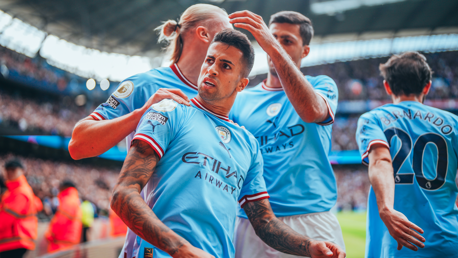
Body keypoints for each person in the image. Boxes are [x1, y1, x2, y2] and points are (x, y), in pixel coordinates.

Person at [111, 29, 345, 258]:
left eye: (225, 66)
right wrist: (181, 250)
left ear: (241, 85)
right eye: (210, 60)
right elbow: (122, 194)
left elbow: (264, 222)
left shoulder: (248, 145)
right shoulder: (169, 110)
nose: (212, 70)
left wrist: (308, 246)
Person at [227, 10, 345, 257]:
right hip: (252, 221)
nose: (276, 45)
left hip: (311, 219)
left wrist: (273, 47)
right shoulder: (240, 100)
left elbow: (312, 111)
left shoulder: (322, 85)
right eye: (273, 37)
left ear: (305, 51)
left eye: (287, 41)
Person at [69, 3, 231, 160]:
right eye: (227, 34)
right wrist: (142, 113)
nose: (237, 42)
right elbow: (78, 144)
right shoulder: (146, 85)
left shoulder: (230, 100)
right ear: (203, 34)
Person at [355, 51, 458, 257]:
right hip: (448, 241)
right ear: (427, 86)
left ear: (387, 86)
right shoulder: (453, 123)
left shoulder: (372, 119)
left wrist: (386, 209)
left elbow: (381, 160)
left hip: (398, 243)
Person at [0, 159, 43, 258]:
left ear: (22, 171)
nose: (9, 172)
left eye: (13, 170)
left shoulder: (20, 192)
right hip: (14, 240)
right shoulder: (17, 191)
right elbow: (38, 205)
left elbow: (6, 219)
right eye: (7, 170)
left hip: (14, 240)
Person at [45, 180, 82, 253]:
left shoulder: (68, 201)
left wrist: (50, 234)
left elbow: (60, 220)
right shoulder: (74, 200)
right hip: (69, 241)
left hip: (61, 242)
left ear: (64, 188)